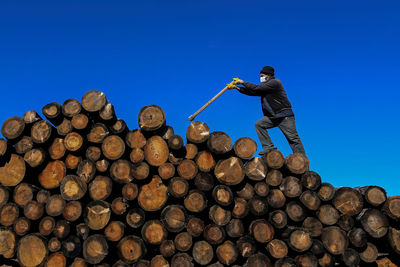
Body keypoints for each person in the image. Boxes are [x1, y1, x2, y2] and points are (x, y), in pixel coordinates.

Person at [231, 66, 306, 155]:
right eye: (260, 76)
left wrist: (243, 82)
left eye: (262, 75)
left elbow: (256, 88)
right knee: (259, 125)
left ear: (269, 75)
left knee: (293, 139)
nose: (261, 78)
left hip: (284, 115)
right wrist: (237, 88)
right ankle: (269, 147)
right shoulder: (265, 88)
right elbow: (253, 92)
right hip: (273, 116)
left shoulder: (275, 83)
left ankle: (302, 159)